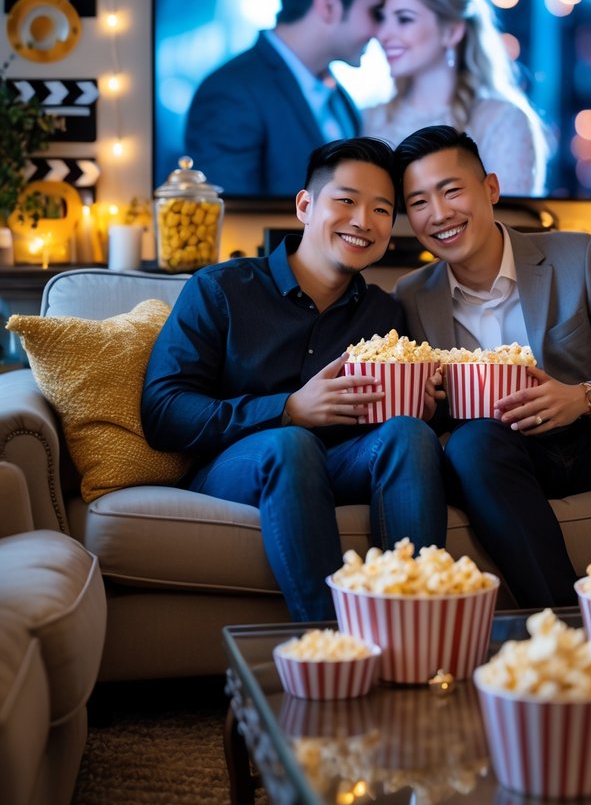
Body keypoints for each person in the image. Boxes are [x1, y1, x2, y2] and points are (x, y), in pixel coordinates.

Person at [393, 124, 591, 609]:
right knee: (471, 443)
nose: (439, 214)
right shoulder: (412, 295)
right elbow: (429, 413)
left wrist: (582, 396)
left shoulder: (578, 257)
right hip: (508, 462)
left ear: (491, 188)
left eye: (451, 191)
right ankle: (564, 622)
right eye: (418, 202)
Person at [141, 136, 447, 621]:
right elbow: (163, 410)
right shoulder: (221, 289)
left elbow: (392, 425)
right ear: (306, 205)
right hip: (239, 466)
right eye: (346, 200)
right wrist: (288, 409)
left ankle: (418, 629)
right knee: (292, 443)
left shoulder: (383, 312)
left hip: (343, 462)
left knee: (411, 434)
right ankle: (332, 645)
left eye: (382, 210)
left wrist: (418, 406)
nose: (363, 221)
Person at [185, 0, 393, 197]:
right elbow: (227, 216)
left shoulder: (340, 98)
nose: (382, 30)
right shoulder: (230, 92)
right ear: (329, 5)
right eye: (376, 12)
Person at [362, 0, 549, 196]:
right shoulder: (368, 119)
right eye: (382, 18)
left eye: (404, 19)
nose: (382, 34)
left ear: (452, 32)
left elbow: (510, 223)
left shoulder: (501, 122)